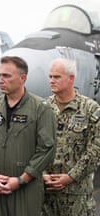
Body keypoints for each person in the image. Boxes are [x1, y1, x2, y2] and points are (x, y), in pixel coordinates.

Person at [0, 56, 56, 216]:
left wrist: (22, 179)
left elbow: (47, 149)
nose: (0, 80)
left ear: (22, 78)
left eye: (6, 76)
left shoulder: (41, 109)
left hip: (27, 189)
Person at [41, 58, 100, 215]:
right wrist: (42, 175)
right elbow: (32, 145)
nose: (52, 81)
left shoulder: (89, 109)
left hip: (77, 197)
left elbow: (96, 149)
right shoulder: (43, 108)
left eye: (57, 77)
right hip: (47, 197)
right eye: (50, 77)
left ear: (71, 78)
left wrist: (70, 177)